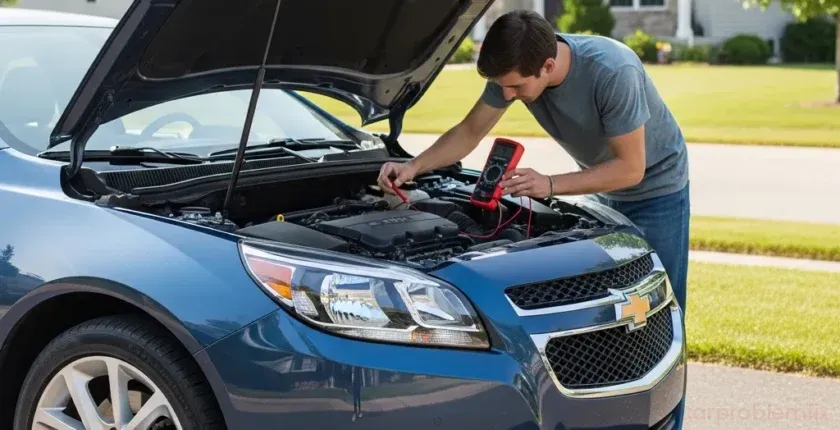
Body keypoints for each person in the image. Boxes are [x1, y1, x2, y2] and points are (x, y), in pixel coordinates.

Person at [377, 10, 690, 312]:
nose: (509, 96)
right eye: (503, 87)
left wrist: (549, 184)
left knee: (660, 303)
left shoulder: (613, 71)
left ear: (548, 65)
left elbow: (630, 168)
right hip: (602, 185)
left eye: (516, 87)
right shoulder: (515, 68)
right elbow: (470, 131)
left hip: (657, 189)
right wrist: (413, 166)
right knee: (608, 302)